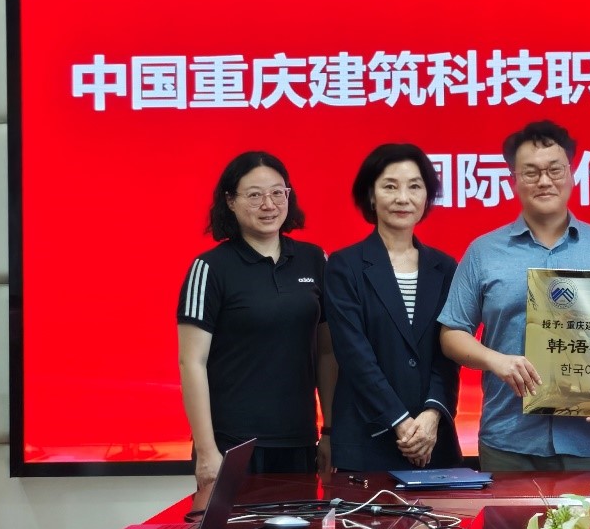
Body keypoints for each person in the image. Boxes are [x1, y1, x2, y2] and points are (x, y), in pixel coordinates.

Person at [439, 120, 590, 471]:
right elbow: (452, 333)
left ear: (572, 174)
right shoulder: (484, 252)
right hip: (508, 440)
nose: (544, 181)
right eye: (531, 172)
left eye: (554, 170)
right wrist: (496, 360)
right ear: (513, 180)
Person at [177, 151, 335, 489]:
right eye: (254, 195)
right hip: (233, 444)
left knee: (300, 524)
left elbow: (327, 353)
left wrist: (330, 431)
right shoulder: (210, 268)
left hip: (298, 439)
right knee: (235, 527)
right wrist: (206, 450)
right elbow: (192, 362)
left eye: (278, 193)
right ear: (230, 201)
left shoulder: (314, 260)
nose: (269, 204)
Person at [324, 143, 462, 471]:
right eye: (390, 186)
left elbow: (448, 355)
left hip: (433, 440)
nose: (403, 198)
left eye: (414, 186)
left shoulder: (444, 267)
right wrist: (401, 422)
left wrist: (431, 417)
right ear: (371, 196)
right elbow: (354, 356)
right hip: (367, 440)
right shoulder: (344, 265)